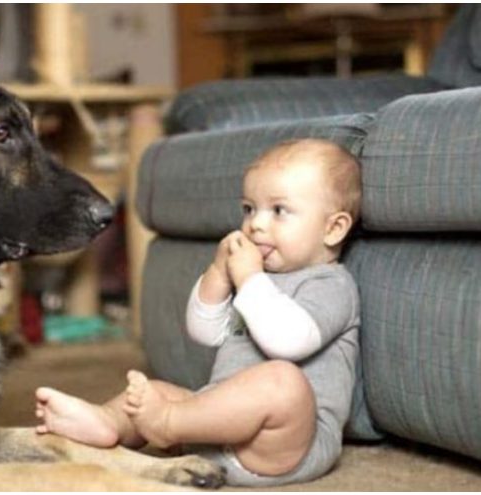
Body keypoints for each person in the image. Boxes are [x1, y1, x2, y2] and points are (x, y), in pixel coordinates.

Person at [35, 138, 362, 486]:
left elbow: (288, 342)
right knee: (159, 390)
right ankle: (106, 422)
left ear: (333, 228)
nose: (256, 225)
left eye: (278, 211)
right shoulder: (254, 278)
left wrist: (248, 278)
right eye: (250, 209)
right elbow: (205, 333)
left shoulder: (330, 285)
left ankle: (168, 424)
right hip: (215, 431)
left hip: (291, 445)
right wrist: (218, 274)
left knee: (284, 382)